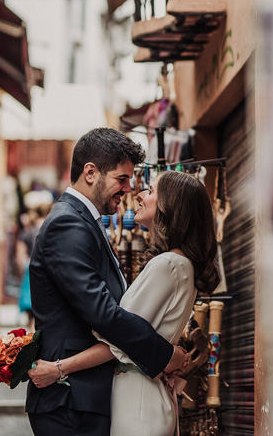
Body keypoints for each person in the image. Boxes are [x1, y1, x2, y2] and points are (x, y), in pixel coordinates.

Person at [25, 128, 193, 436]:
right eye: (122, 179)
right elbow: (102, 313)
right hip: (70, 400)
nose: (128, 189)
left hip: (84, 398)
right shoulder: (68, 223)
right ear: (90, 172)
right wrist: (164, 356)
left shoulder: (84, 221)